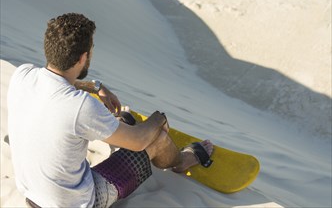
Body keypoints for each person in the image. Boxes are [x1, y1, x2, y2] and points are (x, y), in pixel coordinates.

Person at [7, 13, 213, 207]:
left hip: (33, 198)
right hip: (80, 203)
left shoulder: (23, 75)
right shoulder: (79, 106)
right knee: (156, 138)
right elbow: (139, 141)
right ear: (83, 58)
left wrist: (96, 87)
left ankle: (120, 125)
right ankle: (183, 161)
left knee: (116, 122)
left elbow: (56, 83)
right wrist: (159, 119)